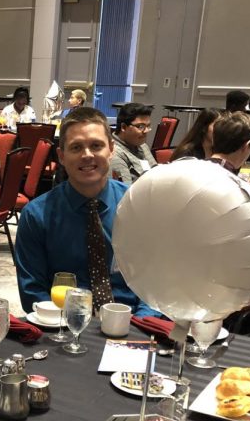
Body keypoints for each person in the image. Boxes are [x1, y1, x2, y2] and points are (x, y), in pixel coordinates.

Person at [15, 107, 159, 316]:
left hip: (133, 324)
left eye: (96, 146)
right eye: (76, 148)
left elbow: (154, 282)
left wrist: (141, 328)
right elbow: (33, 293)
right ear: (61, 156)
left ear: (111, 150)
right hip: (63, 327)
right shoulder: (36, 216)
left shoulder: (138, 207)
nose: (87, 155)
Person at [109, 102, 156, 183]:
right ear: (123, 127)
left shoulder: (142, 145)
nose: (146, 131)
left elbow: (156, 172)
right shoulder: (114, 153)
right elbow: (125, 191)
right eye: (141, 126)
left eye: (148, 126)